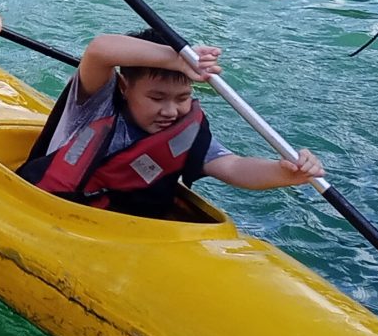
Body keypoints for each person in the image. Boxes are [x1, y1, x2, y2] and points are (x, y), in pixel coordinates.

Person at [19, 32, 325, 221]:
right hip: (46, 209)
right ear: (125, 87)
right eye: (156, 97)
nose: (171, 110)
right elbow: (100, 49)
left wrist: (286, 173)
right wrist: (174, 59)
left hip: (129, 231)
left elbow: (233, 167)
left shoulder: (185, 131)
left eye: (182, 97)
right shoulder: (96, 105)